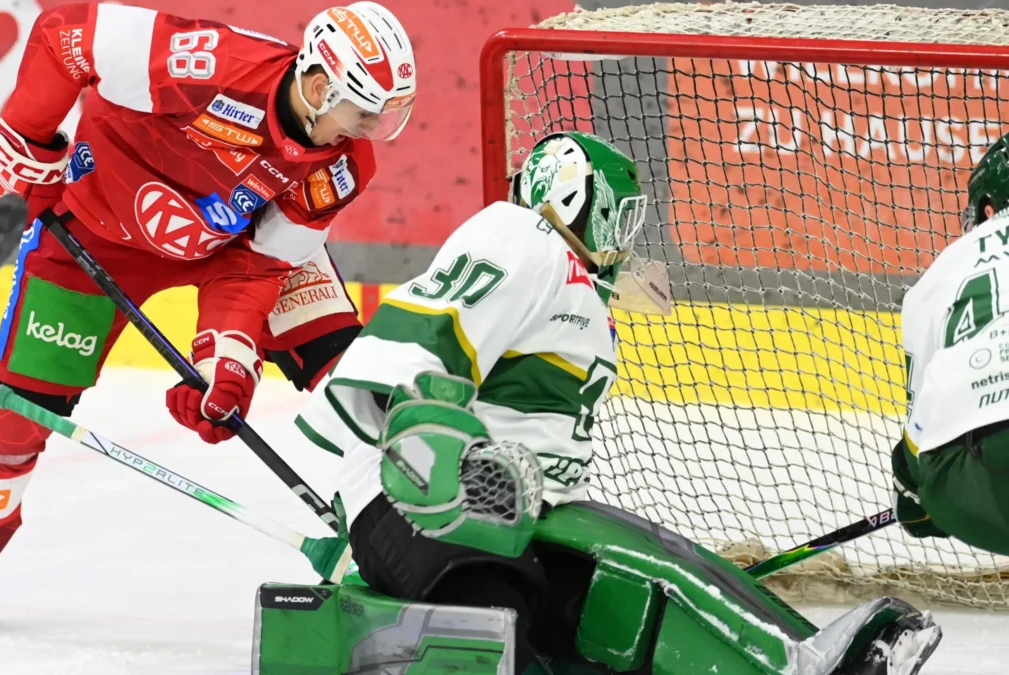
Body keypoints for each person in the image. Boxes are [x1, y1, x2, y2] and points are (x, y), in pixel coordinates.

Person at [290, 131, 940, 675]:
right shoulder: (521, 236)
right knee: (502, 622)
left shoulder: (570, 283)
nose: (624, 235)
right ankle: (800, 659)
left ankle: (796, 656)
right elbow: (424, 332)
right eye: (617, 214)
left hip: (517, 506)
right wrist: (405, 462)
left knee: (630, 593)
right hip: (429, 500)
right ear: (569, 195)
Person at [0, 1, 415, 629]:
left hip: (237, 248)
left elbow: (260, 267)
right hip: (97, 235)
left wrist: (226, 361)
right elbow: (64, 36)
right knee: (13, 414)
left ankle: (418, 536)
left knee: (352, 376)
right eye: (366, 111)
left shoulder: (342, 166)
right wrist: (32, 140)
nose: (372, 129)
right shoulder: (206, 64)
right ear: (319, 86)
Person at [893, 134, 1009, 557]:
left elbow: (918, 422)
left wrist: (911, 494)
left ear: (991, 209)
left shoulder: (949, 264)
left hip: (967, 484)